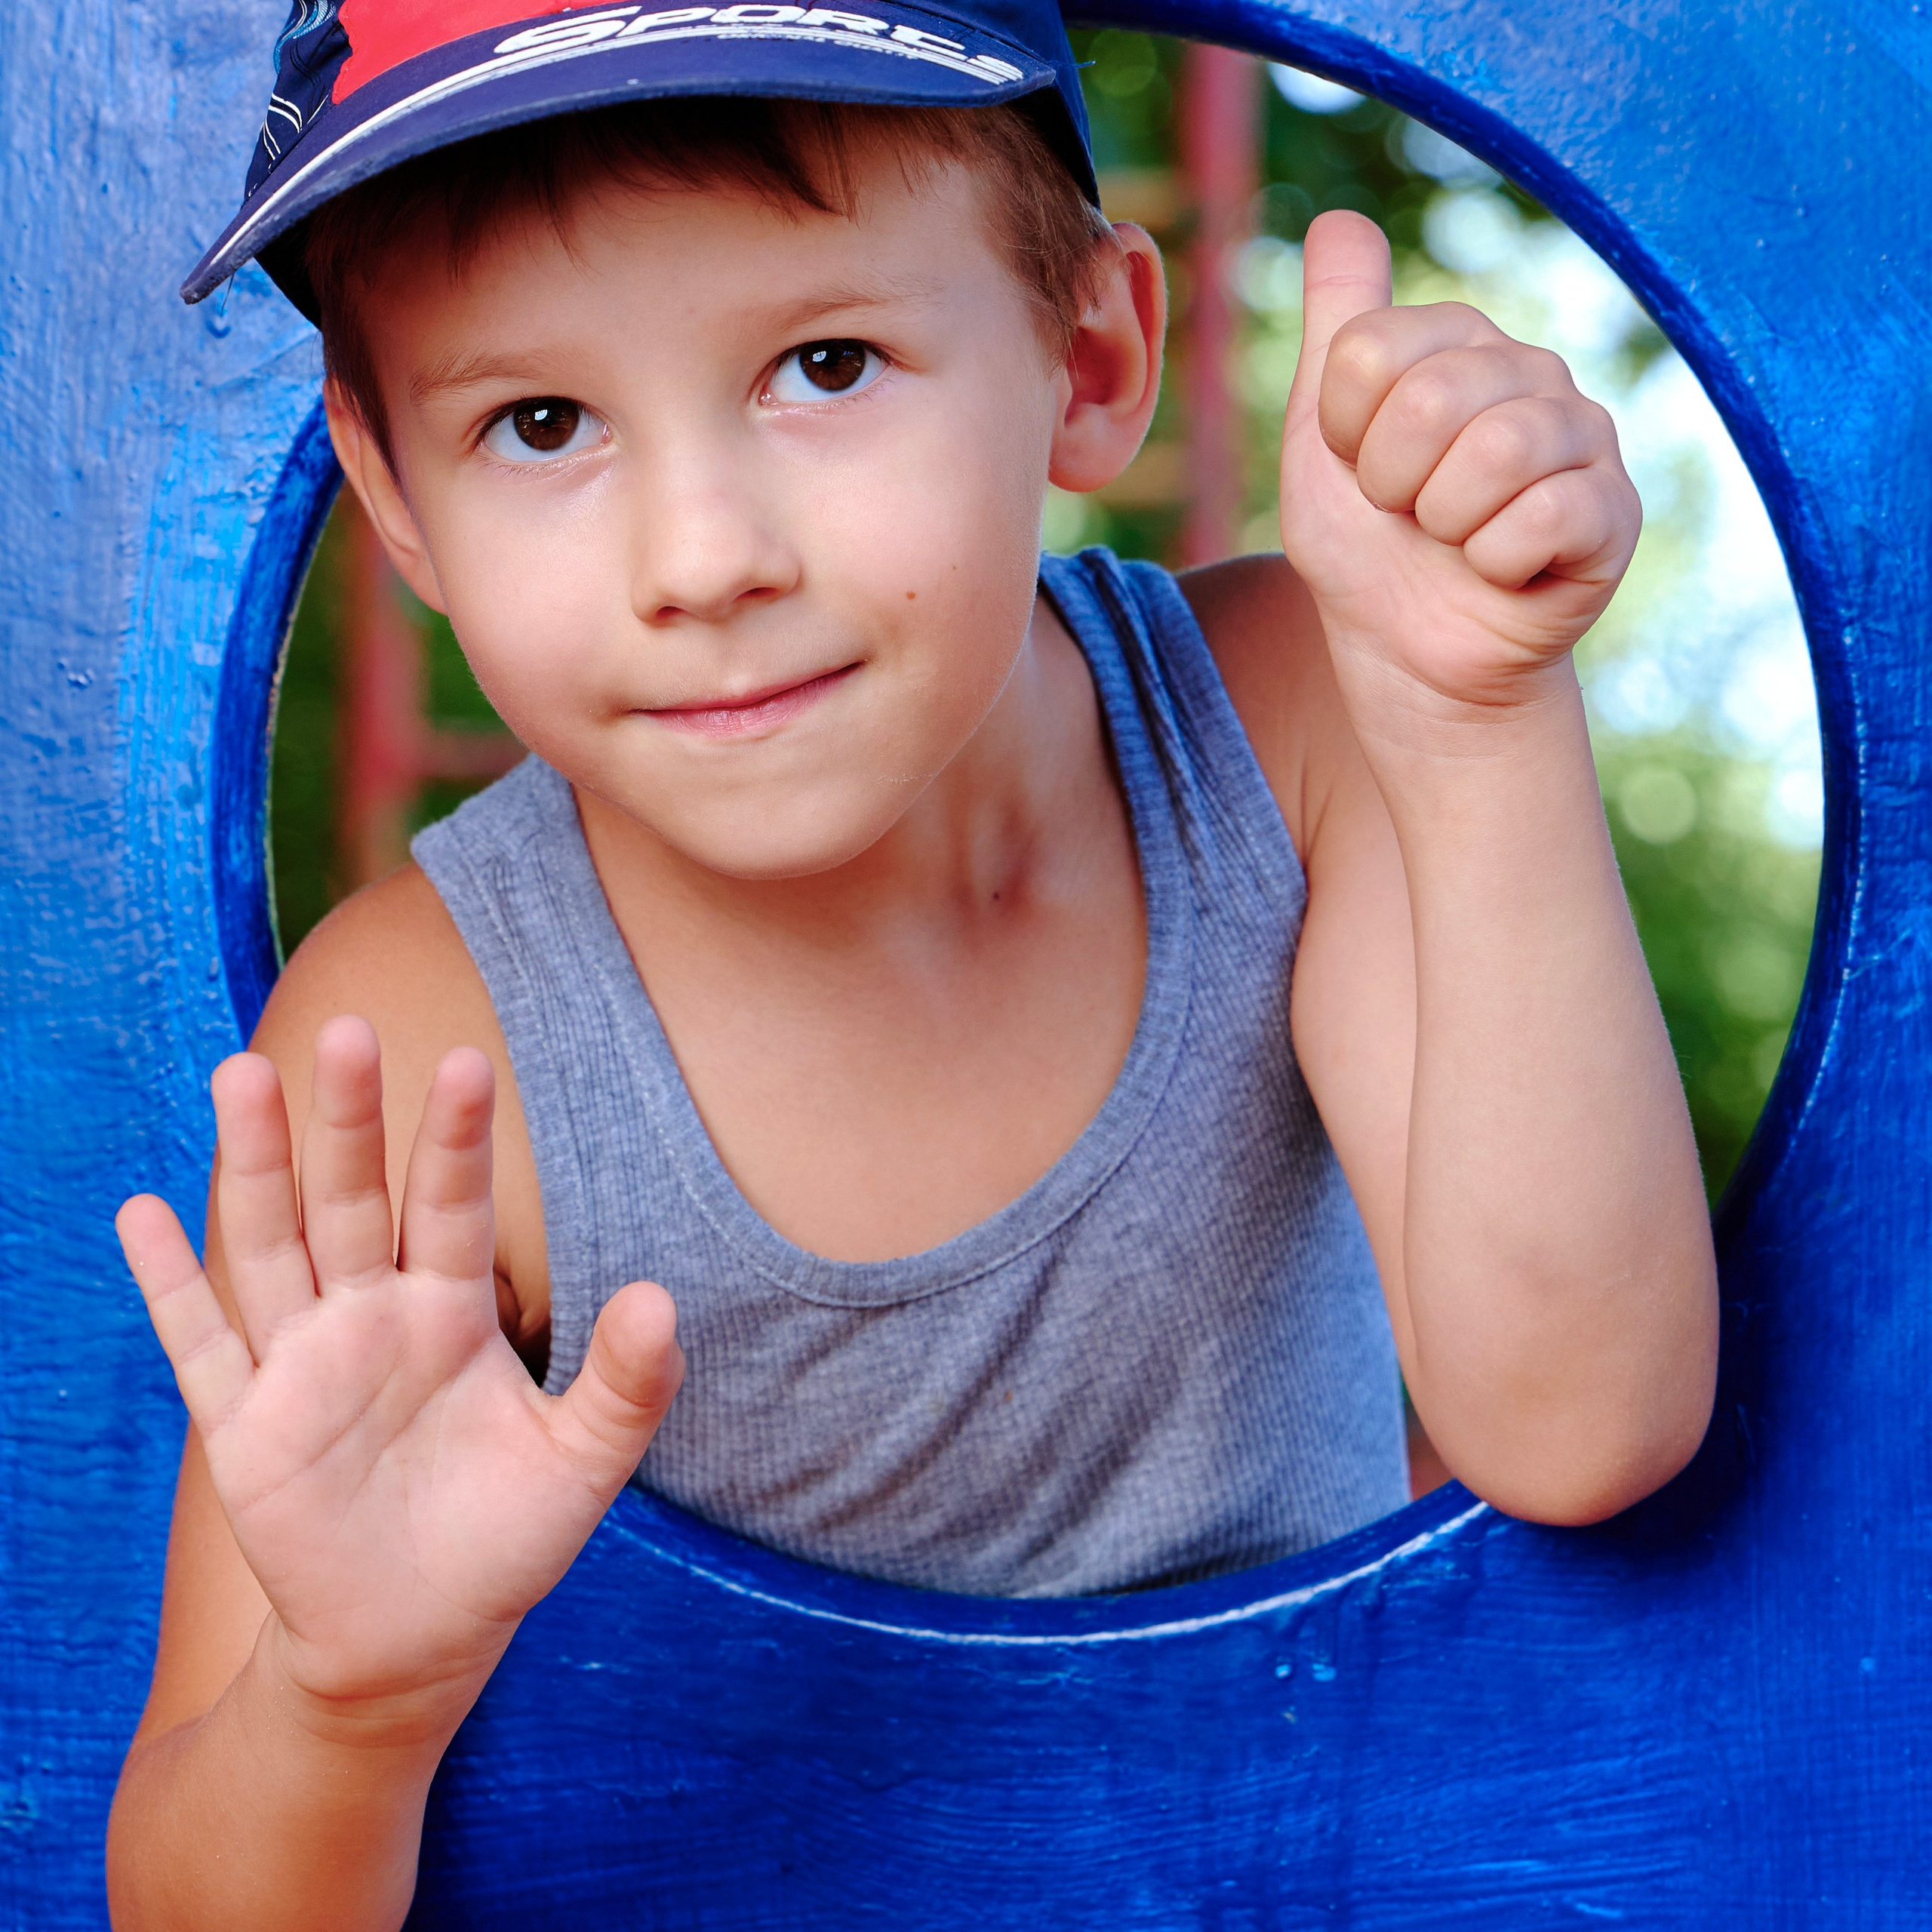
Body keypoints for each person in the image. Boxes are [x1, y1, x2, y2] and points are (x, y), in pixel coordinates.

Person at [107, 2, 1718, 1924]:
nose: (698, 556)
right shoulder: (418, 1046)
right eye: (538, 423)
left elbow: (1582, 1421)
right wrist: (346, 1696)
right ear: (397, 506)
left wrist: (1473, 726)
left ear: (1088, 357)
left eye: (824, 361)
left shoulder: (1280, 727)